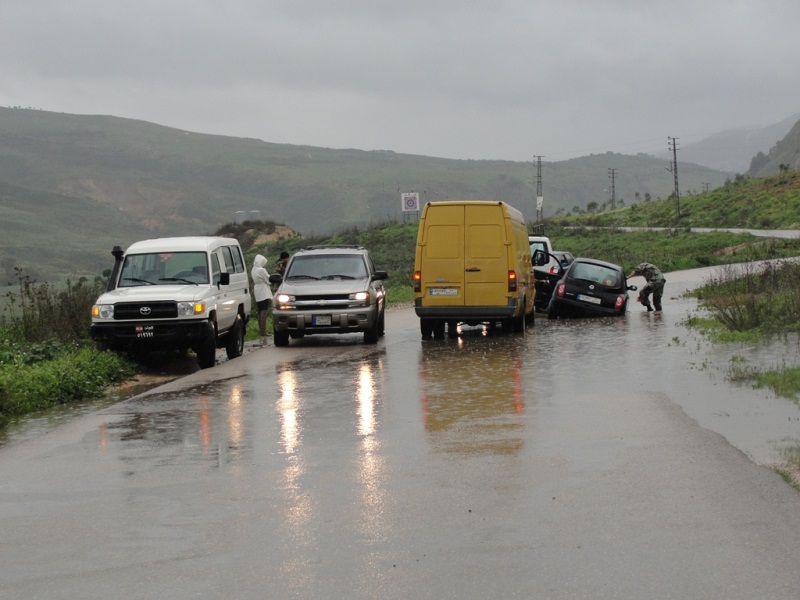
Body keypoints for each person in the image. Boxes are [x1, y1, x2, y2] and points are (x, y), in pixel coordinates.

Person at [251, 254, 273, 338]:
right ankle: (264, 330)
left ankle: (261, 329)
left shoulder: (253, 270)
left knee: (260, 310)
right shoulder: (262, 270)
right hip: (263, 290)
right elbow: (268, 280)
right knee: (264, 309)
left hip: (257, 290)